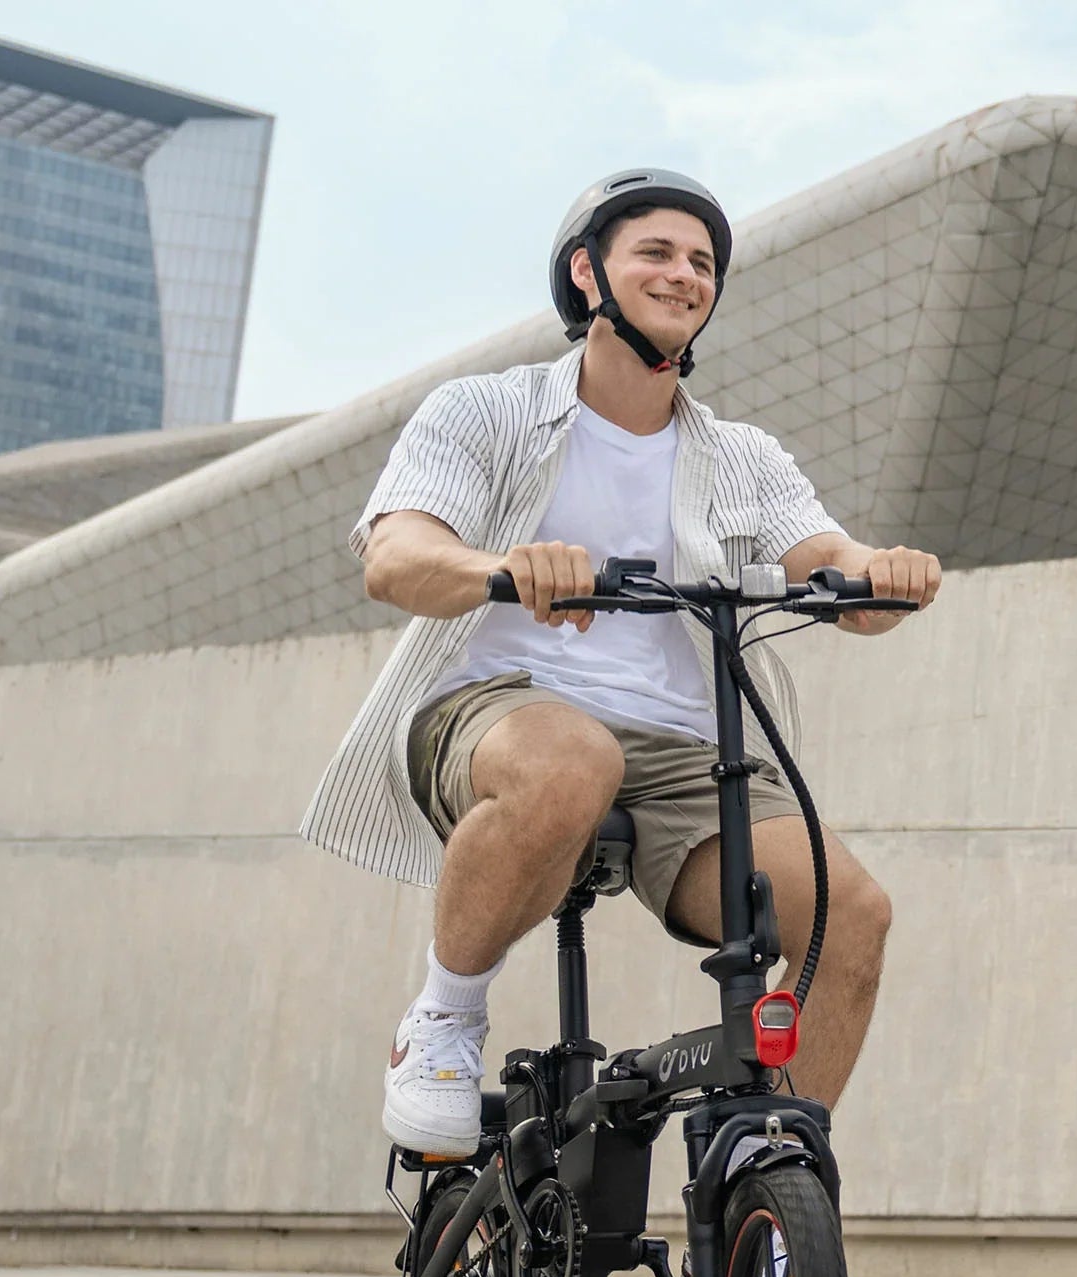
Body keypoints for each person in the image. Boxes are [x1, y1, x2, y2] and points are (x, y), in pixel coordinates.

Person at [301, 169, 941, 1158]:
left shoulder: (742, 455)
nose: (685, 274)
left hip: (683, 751)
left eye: (702, 262)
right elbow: (397, 558)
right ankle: (443, 1016)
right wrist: (501, 568)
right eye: (656, 252)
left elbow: (830, 564)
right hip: (498, 711)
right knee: (574, 760)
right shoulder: (485, 410)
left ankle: (771, 1170)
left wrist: (881, 573)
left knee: (850, 915)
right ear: (586, 274)